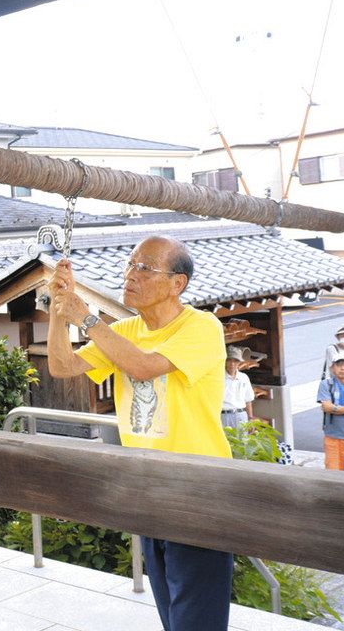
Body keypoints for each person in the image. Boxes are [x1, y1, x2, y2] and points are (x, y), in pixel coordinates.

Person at [46, 235, 232, 631]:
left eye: (145, 268)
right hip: (146, 485)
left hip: (199, 487)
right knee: (169, 607)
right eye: (130, 265)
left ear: (177, 283)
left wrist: (86, 318)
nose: (131, 275)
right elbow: (62, 367)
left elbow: (144, 366)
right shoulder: (125, 329)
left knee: (197, 617)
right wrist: (59, 309)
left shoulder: (202, 327)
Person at [222, 346, 261, 428]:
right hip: (223, 415)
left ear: (239, 362)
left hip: (241, 415)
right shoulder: (219, 378)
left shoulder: (244, 378)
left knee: (243, 440)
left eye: (235, 361)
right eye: (229, 360)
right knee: (226, 440)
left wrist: (250, 419)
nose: (232, 364)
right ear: (225, 361)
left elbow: (248, 400)